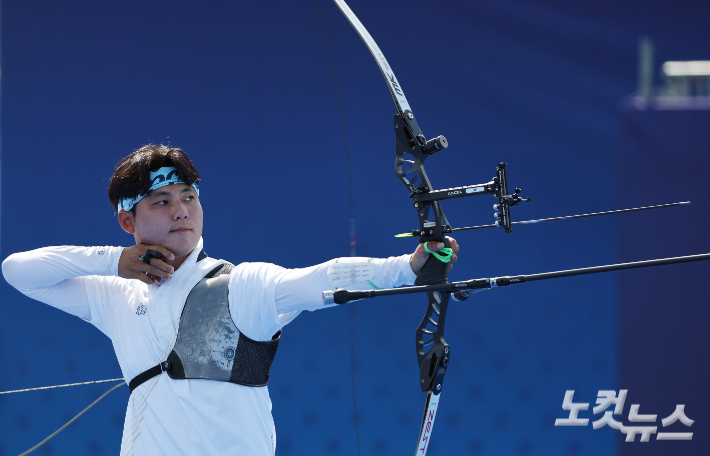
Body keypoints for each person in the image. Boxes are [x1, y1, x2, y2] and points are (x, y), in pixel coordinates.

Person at [2, 144, 459, 455]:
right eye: (160, 201)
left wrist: (410, 265)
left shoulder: (241, 285)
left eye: (188, 197)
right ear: (128, 222)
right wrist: (114, 261)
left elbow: (321, 280)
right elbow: (19, 271)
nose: (181, 209)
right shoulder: (117, 295)